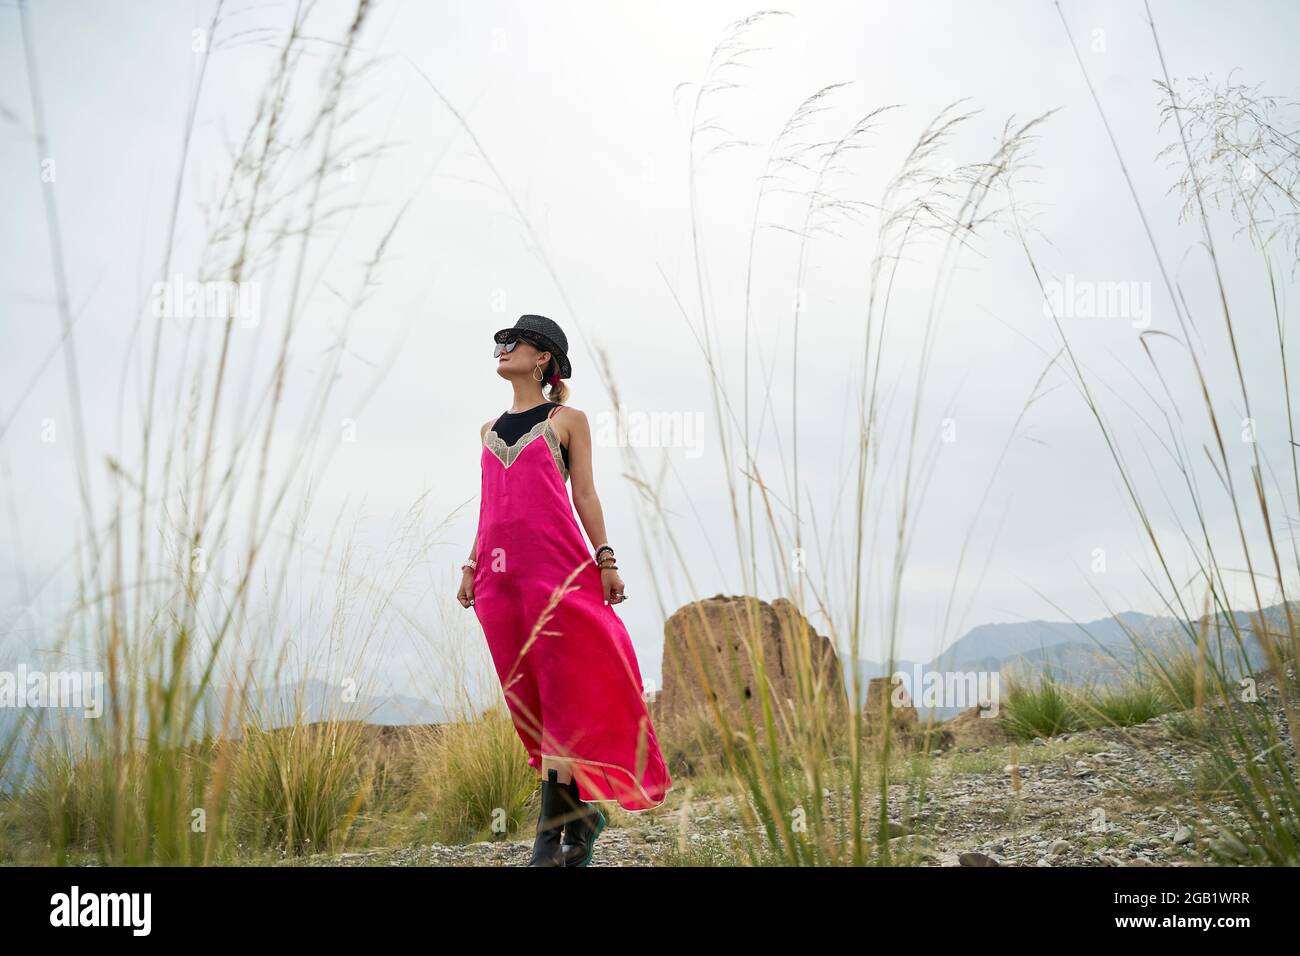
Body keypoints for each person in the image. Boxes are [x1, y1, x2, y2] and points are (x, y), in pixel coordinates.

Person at [457, 314, 673, 866]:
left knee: (562, 694)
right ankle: (581, 820)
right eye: (498, 343)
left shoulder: (567, 421)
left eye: (513, 343)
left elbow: (586, 496)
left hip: (556, 574)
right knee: (529, 701)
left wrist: (606, 558)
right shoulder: (487, 431)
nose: (501, 350)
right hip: (500, 584)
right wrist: (470, 565)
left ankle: (548, 841)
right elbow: (489, 507)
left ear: (544, 357)